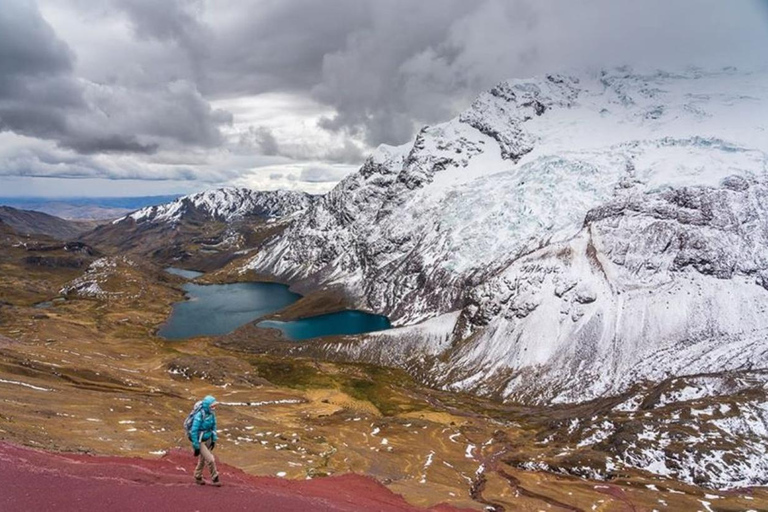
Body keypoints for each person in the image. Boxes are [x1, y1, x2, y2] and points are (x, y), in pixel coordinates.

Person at [190, 395, 220, 486]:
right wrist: (196, 446)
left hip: (208, 439)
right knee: (210, 459)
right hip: (200, 440)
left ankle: (198, 476)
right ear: (207, 406)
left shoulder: (212, 414)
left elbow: (214, 426)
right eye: (212, 406)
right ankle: (215, 478)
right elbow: (194, 431)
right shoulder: (199, 415)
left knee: (202, 460)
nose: (214, 408)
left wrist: (213, 439)